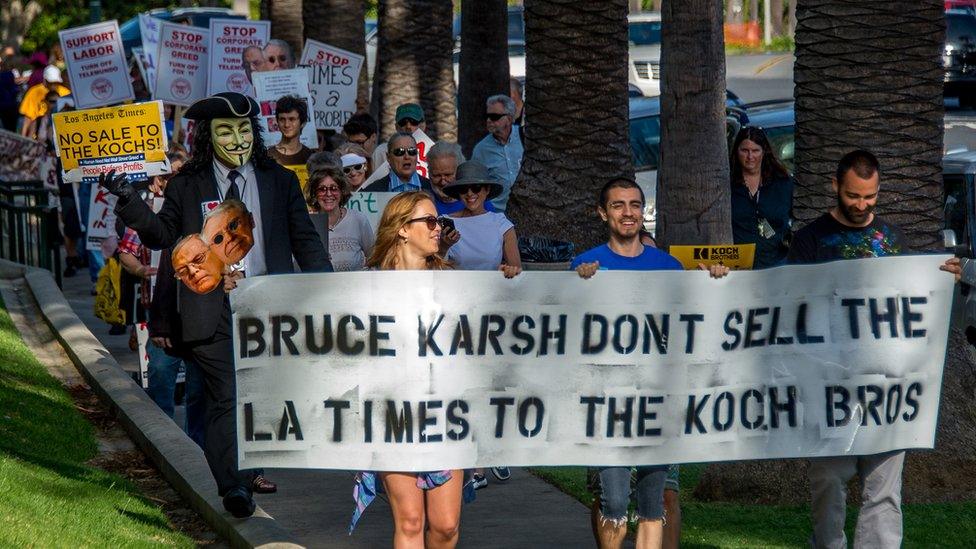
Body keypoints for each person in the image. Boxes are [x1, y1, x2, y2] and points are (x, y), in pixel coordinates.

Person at [100, 92, 331, 518]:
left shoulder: (279, 181)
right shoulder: (188, 184)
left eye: (244, 130)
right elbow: (161, 236)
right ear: (209, 135)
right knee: (227, 393)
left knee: (256, 396)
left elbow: (305, 241)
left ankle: (243, 469)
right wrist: (129, 199)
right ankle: (236, 485)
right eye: (226, 131)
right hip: (209, 305)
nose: (237, 139)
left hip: (268, 307)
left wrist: (329, 290)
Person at [574, 177, 728, 549]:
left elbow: (692, 321)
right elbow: (563, 330)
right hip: (607, 402)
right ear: (602, 213)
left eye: (634, 205)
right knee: (612, 500)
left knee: (652, 501)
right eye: (617, 205)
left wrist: (717, 282)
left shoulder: (668, 266)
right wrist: (577, 285)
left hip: (657, 400)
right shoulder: (585, 265)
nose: (628, 213)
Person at [786, 150, 903, 548]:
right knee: (829, 480)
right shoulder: (809, 240)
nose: (862, 205)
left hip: (885, 383)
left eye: (870, 197)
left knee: (884, 488)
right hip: (828, 386)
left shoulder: (892, 238)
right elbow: (787, 305)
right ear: (835, 186)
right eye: (854, 195)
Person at [351, 191, 463, 546]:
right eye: (430, 222)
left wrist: (511, 279)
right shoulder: (366, 285)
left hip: (445, 413)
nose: (438, 229)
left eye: (440, 222)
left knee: (445, 525)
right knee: (411, 520)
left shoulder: (454, 283)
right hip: (391, 414)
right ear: (401, 229)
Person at [729, 126, 794, 269]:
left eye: (755, 151)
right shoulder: (727, 185)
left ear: (764, 152)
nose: (750, 156)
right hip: (738, 266)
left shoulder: (783, 183)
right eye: (744, 150)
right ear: (736, 152)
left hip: (776, 264)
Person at [306, 165, 374, 271]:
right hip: (318, 285)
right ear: (314, 193)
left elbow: (374, 258)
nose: (328, 194)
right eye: (322, 189)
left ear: (342, 191)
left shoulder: (358, 219)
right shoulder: (307, 223)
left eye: (334, 188)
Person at [471, 94, 523, 212]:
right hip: (498, 214)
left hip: (527, 212)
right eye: (487, 116)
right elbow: (475, 185)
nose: (489, 120)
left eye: (494, 117)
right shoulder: (481, 149)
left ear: (509, 119)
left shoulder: (524, 137)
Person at [428, 141, 496, 216]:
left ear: (460, 172)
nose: (443, 182)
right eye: (436, 175)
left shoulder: (479, 201)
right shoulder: (424, 201)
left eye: (448, 175)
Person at [361, 132, 434, 194]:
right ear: (388, 158)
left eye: (412, 151)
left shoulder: (433, 188)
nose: (407, 156)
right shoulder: (371, 192)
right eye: (399, 152)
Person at [19, 65, 70, 137]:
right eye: (51, 82)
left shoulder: (65, 93)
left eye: (55, 82)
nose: (53, 86)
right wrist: (23, 138)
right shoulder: (34, 92)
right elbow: (28, 118)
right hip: (39, 133)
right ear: (45, 80)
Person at [371, 103, 427, 168]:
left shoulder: (433, 152)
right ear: (396, 127)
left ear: (423, 125)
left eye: (413, 122)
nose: (408, 126)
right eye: (403, 122)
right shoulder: (381, 151)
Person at [269, 95, 314, 166]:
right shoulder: (268, 156)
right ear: (277, 121)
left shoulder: (311, 158)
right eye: (282, 119)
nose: (286, 124)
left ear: (302, 123)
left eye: (292, 119)